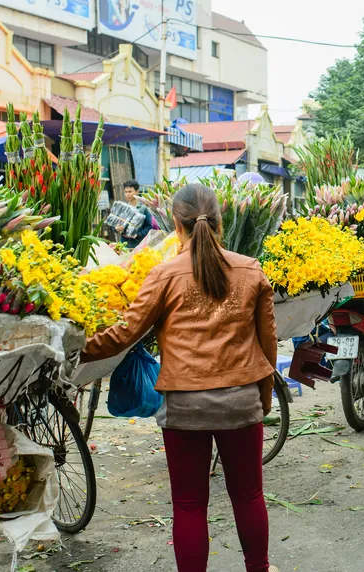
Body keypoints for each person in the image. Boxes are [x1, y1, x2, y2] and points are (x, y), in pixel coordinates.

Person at [83, 183, 279, 572]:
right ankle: (258, 568)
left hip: (185, 406)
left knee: (190, 505)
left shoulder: (164, 274)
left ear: (176, 223)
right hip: (241, 401)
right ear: (221, 221)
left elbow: (124, 333)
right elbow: (268, 341)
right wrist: (264, 397)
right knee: (249, 496)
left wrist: (76, 349)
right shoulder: (250, 269)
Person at [113, 180, 153, 249]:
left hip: (138, 245)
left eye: (130, 191)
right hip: (124, 245)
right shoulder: (123, 208)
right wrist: (116, 228)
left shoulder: (144, 208)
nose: (127, 194)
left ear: (137, 192)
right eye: (126, 192)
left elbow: (149, 226)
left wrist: (138, 234)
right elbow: (114, 225)